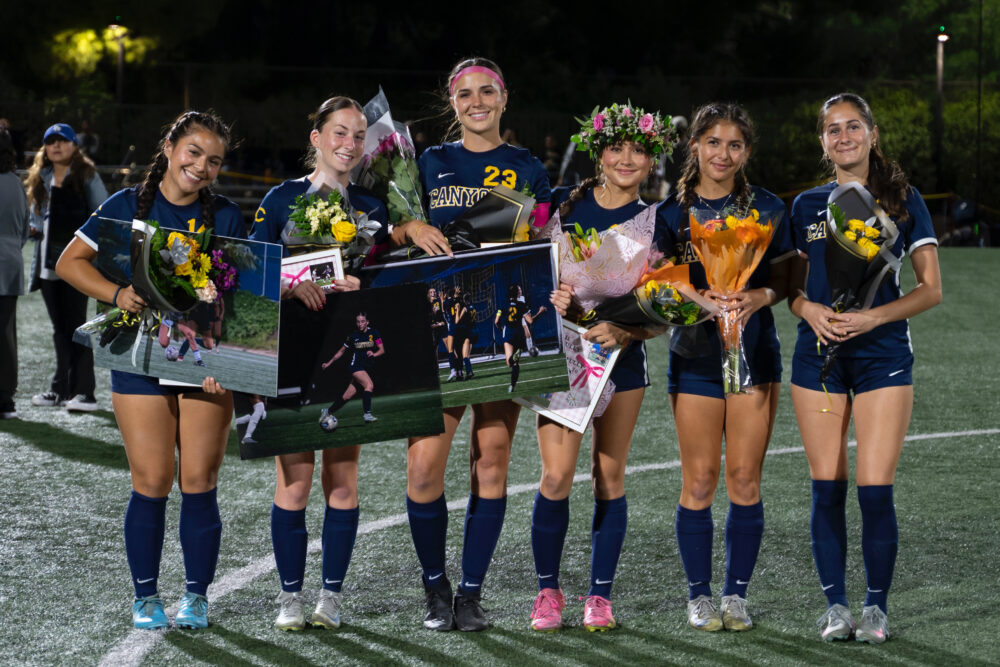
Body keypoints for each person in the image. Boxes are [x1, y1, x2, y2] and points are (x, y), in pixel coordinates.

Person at [56, 110, 244, 630]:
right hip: (139, 358)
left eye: (214, 161)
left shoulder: (226, 218)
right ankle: (145, 597)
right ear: (168, 146)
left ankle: (197, 597)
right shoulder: (122, 207)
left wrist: (227, 359)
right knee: (154, 479)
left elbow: (246, 297)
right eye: (193, 153)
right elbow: (69, 263)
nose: (201, 167)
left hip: (204, 362)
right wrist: (117, 293)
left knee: (199, 479)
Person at [391, 56, 551, 632]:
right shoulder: (426, 162)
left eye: (488, 92)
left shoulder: (528, 167)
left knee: (493, 462)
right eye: (465, 94)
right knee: (424, 466)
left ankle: (471, 594)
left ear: (504, 100)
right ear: (452, 103)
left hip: (497, 315)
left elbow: (543, 244)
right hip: (434, 321)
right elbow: (392, 227)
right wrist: (411, 228)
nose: (477, 101)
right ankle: (435, 588)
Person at [788, 93, 941, 644]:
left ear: (872, 134)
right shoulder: (806, 204)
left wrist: (873, 317)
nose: (844, 136)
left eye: (854, 126)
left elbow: (931, 290)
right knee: (826, 486)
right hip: (818, 358)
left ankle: (875, 608)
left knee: (875, 489)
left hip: (883, 357)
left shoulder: (904, 201)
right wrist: (811, 310)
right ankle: (837, 608)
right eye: (833, 129)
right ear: (822, 140)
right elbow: (794, 292)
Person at [249, 96, 389, 631]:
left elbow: (387, 283)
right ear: (316, 137)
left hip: (342, 346)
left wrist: (361, 288)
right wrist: (293, 283)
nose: (349, 144)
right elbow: (252, 269)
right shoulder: (282, 199)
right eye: (338, 133)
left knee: (343, 479)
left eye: (357, 136)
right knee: (294, 484)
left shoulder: (374, 209)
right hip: (290, 352)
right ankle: (289, 597)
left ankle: (330, 596)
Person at [655, 102, 794, 632]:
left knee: (743, 478)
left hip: (754, 355)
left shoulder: (767, 207)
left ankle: (736, 595)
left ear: (747, 152)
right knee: (701, 478)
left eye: (734, 144)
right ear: (695, 146)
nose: (723, 153)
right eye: (713, 142)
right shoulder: (671, 213)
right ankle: (699, 596)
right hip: (694, 355)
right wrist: (696, 297)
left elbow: (785, 281)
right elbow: (661, 284)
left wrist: (758, 294)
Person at [530, 103, 668, 632]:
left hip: (624, 361)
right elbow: (529, 283)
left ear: (651, 157)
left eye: (638, 149)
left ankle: (600, 596)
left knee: (609, 476)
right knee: (556, 474)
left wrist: (627, 330)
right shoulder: (562, 211)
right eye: (617, 147)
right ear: (598, 151)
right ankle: (547, 592)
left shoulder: (658, 221)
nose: (627, 158)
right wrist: (554, 301)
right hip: (564, 358)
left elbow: (665, 313)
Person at [25, 122, 108, 412]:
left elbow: (103, 214)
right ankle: (59, 389)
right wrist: (34, 228)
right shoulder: (42, 176)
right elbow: (36, 219)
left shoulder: (87, 175)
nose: (56, 146)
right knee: (59, 329)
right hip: (47, 267)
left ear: (74, 145)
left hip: (76, 265)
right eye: (50, 142)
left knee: (78, 327)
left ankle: (86, 392)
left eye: (62, 140)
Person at [0, 128, 29, 419]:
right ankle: (5, 399)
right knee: (6, 334)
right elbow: (24, 230)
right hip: (10, 265)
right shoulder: (15, 183)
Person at [320, 312, 385, 425]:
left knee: (347, 395)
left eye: (362, 321)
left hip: (365, 368)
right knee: (369, 385)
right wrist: (328, 363)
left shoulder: (374, 333)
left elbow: (382, 350)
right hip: (355, 366)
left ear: (367, 322)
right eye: (358, 322)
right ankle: (367, 414)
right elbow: (341, 351)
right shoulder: (352, 336)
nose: (360, 324)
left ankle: (328, 411)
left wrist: (374, 354)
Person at [494, 284, 533, 393]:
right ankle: (512, 385)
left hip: (508, 333)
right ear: (517, 293)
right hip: (519, 333)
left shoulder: (503, 305)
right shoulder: (521, 305)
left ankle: (511, 386)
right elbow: (530, 321)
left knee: (509, 362)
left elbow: (496, 321)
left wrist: (500, 329)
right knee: (516, 363)